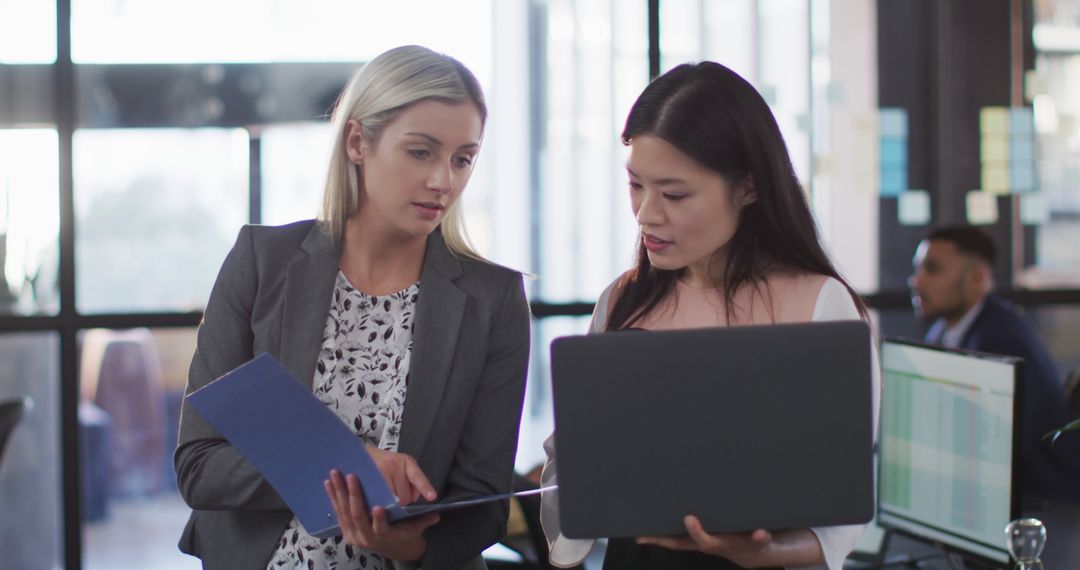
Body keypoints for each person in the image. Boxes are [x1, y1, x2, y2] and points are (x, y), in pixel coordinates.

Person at [174, 45, 531, 570]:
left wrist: (411, 547)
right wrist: (347, 469)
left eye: (463, 158)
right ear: (358, 141)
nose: (444, 181)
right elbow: (200, 465)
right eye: (421, 152)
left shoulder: (493, 300)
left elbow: (485, 501)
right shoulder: (261, 263)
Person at [540, 61, 879, 570]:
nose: (647, 214)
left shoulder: (819, 305)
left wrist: (764, 552)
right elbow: (574, 465)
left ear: (748, 187)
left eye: (674, 194)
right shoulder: (622, 301)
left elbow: (844, 508)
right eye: (636, 185)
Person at [910, 225, 1080, 501]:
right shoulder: (943, 330)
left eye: (933, 269)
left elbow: (993, 448)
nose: (917, 280)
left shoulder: (1002, 341)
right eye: (917, 268)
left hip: (1041, 503)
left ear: (977, 277)